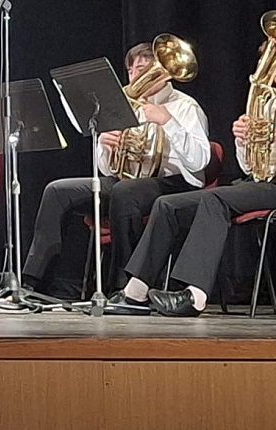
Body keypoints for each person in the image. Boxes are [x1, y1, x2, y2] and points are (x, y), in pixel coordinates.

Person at [114, 39, 276, 316]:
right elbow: (248, 166)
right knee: (167, 205)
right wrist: (243, 142)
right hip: (260, 183)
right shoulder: (268, 102)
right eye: (269, 58)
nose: (273, 65)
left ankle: (194, 296)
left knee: (215, 200)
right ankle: (135, 293)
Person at [21, 42, 210, 297]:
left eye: (143, 68)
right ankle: (34, 282)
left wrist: (167, 121)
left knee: (125, 192)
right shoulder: (125, 107)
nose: (135, 76)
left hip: (173, 183)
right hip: (129, 182)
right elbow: (107, 169)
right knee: (56, 190)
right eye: (131, 70)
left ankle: (123, 286)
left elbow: (200, 161)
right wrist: (105, 145)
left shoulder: (186, 106)